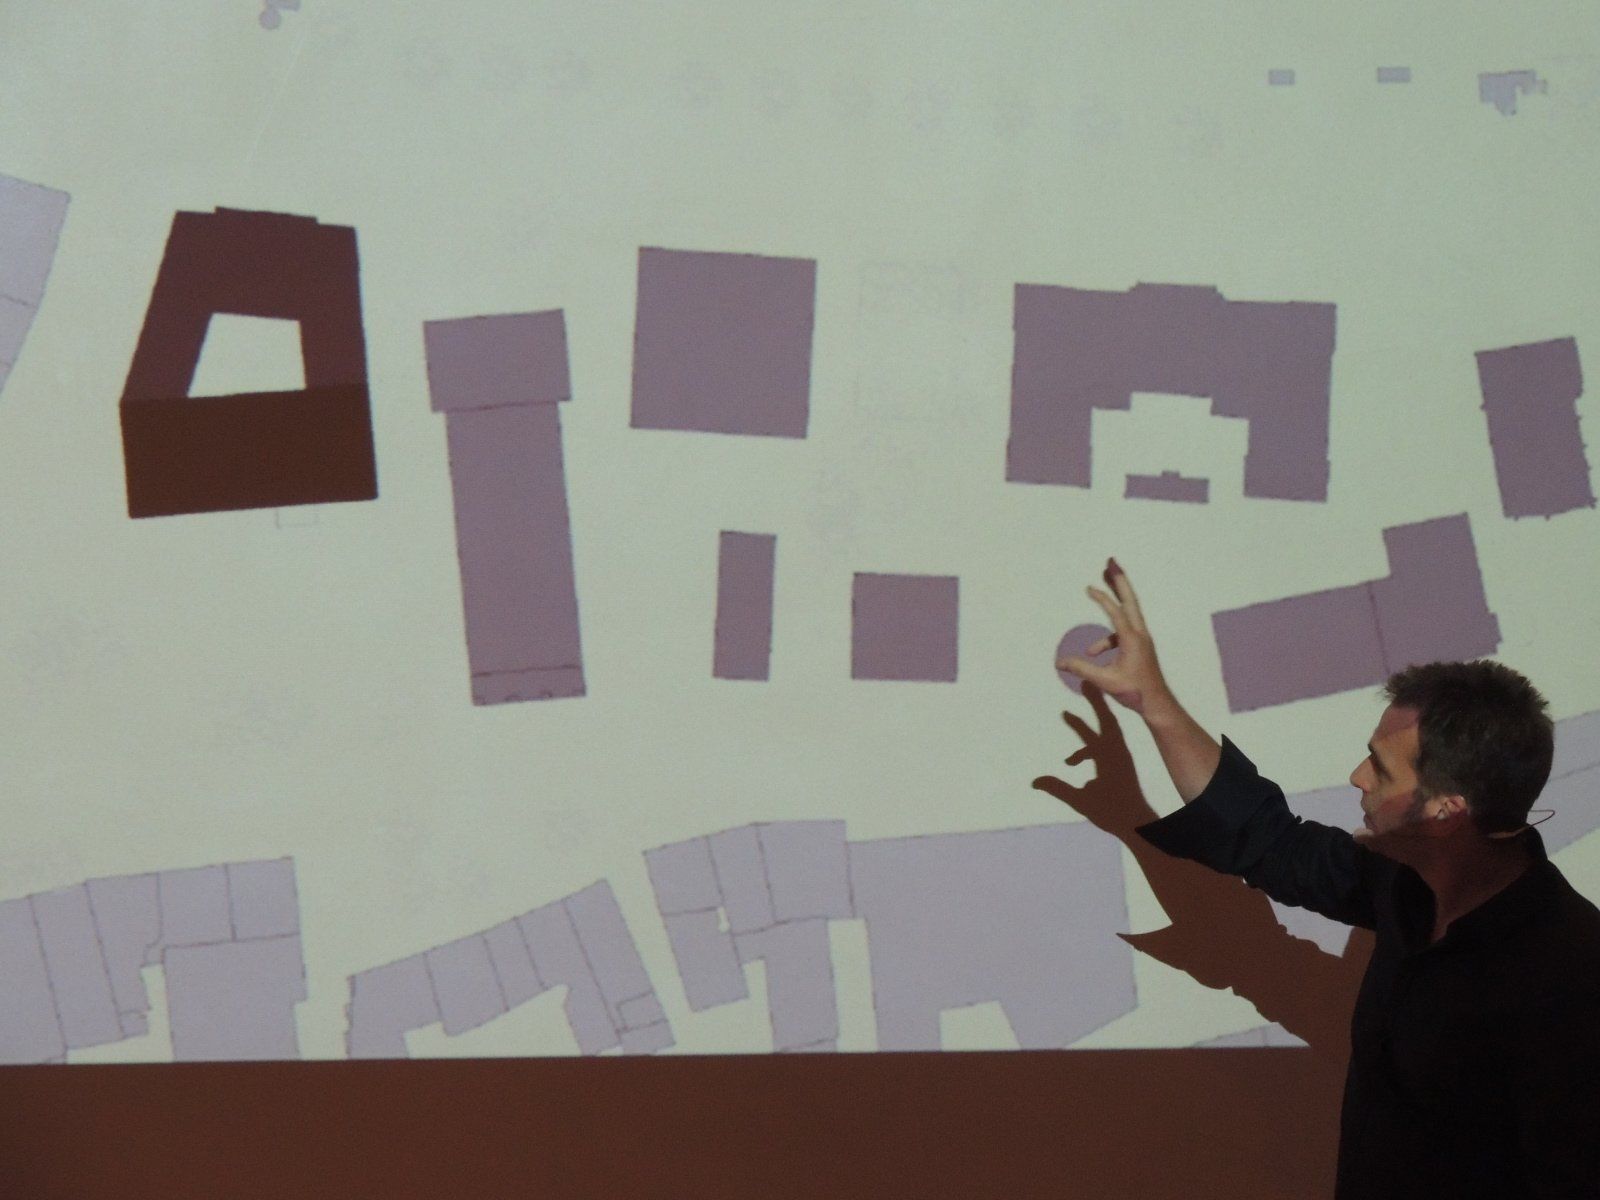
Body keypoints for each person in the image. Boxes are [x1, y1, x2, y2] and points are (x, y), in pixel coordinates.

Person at [1057, 559, 1600, 1199]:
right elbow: (1265, 838)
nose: (1357, 778)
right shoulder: (1401, 881)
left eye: (1381, 770)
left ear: (1447, 810)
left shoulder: (1569, 972)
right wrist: (1155, 704)